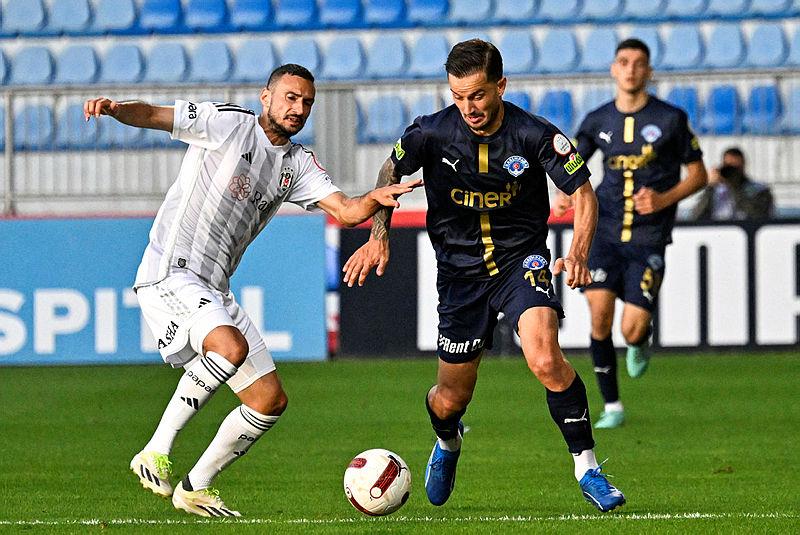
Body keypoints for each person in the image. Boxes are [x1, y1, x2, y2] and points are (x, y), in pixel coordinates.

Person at [84, 64, 420, 518]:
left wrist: (374, 199)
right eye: (290, 98)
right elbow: (155, 115)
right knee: (230, 347)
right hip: (172, 270)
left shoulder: (296, 164)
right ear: (266, 97)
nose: (298, 108)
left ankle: (195, 486)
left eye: (306, 102)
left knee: (268, 400)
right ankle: (155, 450)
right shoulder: (226, 123)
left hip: (213, 285)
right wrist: (115, 109)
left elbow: (345, 210)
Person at [343, 39, 625, 512]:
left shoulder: (534, 134)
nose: (468, 107)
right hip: (459, 276)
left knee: (544, 358)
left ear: (500, 86)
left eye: (477, 94)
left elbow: (583, 192)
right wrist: (379, 233)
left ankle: (588, 469)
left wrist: (577, 252)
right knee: (450, 398)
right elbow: (391, 168)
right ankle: (448, 442)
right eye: (458, 96)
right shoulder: (432, 132)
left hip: (522, 263)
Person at [555, 39, 708, 429]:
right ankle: (613, 407)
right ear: (614, 69)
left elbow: (699, 175)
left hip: (648, 238)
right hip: (604, 232)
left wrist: (663, 199)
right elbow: (572, 165)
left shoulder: (671, 119)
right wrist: (564, 194)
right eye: (624, 62)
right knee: (599, 317)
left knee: (631, 327)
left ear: (649, 71)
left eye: (639, 63)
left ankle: (640, 340)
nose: (631, 69)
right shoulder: (597, 119)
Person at [689, 147, 774, 221]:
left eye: (735, 168)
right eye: (728, 166)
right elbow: (696, 216)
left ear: (743, 165)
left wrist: (734, 187)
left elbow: (758, 215)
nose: (732, 172)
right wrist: (710, 187)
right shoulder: (715, 190)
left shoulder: (758, 190)